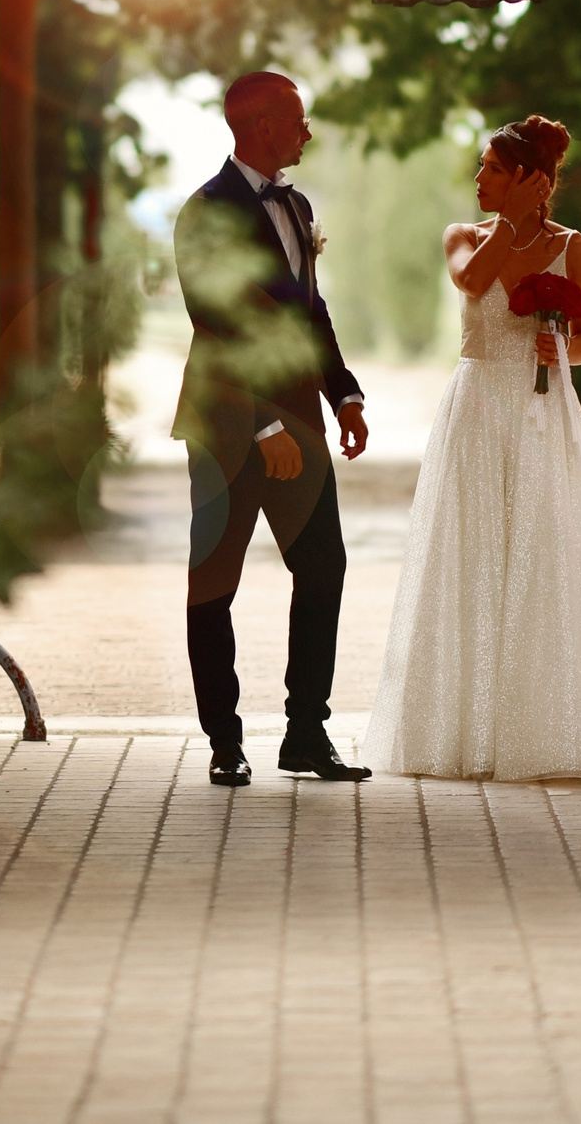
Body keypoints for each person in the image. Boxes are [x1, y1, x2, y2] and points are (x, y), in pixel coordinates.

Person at [362, 115, 581, 781]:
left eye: (493, 168)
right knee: (471, 553)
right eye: (482, 167)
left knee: (543, 552)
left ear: (526, 176)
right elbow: (472, 283)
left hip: (542, 409)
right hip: (475, 409)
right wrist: (512, 223)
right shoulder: (464, 236)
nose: (478, 178)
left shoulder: (576, 249)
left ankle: (547, 725)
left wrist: (564, 351)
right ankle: (465, 729)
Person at [171, 72, 372, 787]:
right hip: (228, 427)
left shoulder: (298, 205)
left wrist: (343, 393)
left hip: (304, 421)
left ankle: (306, 733)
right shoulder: (204, 213)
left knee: (324, 568)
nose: (308, 129)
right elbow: (217, 325)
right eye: (298, 117)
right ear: (261, 125)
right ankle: (225, 741)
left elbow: (310, 313)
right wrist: (262, 428)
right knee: (213, 584)